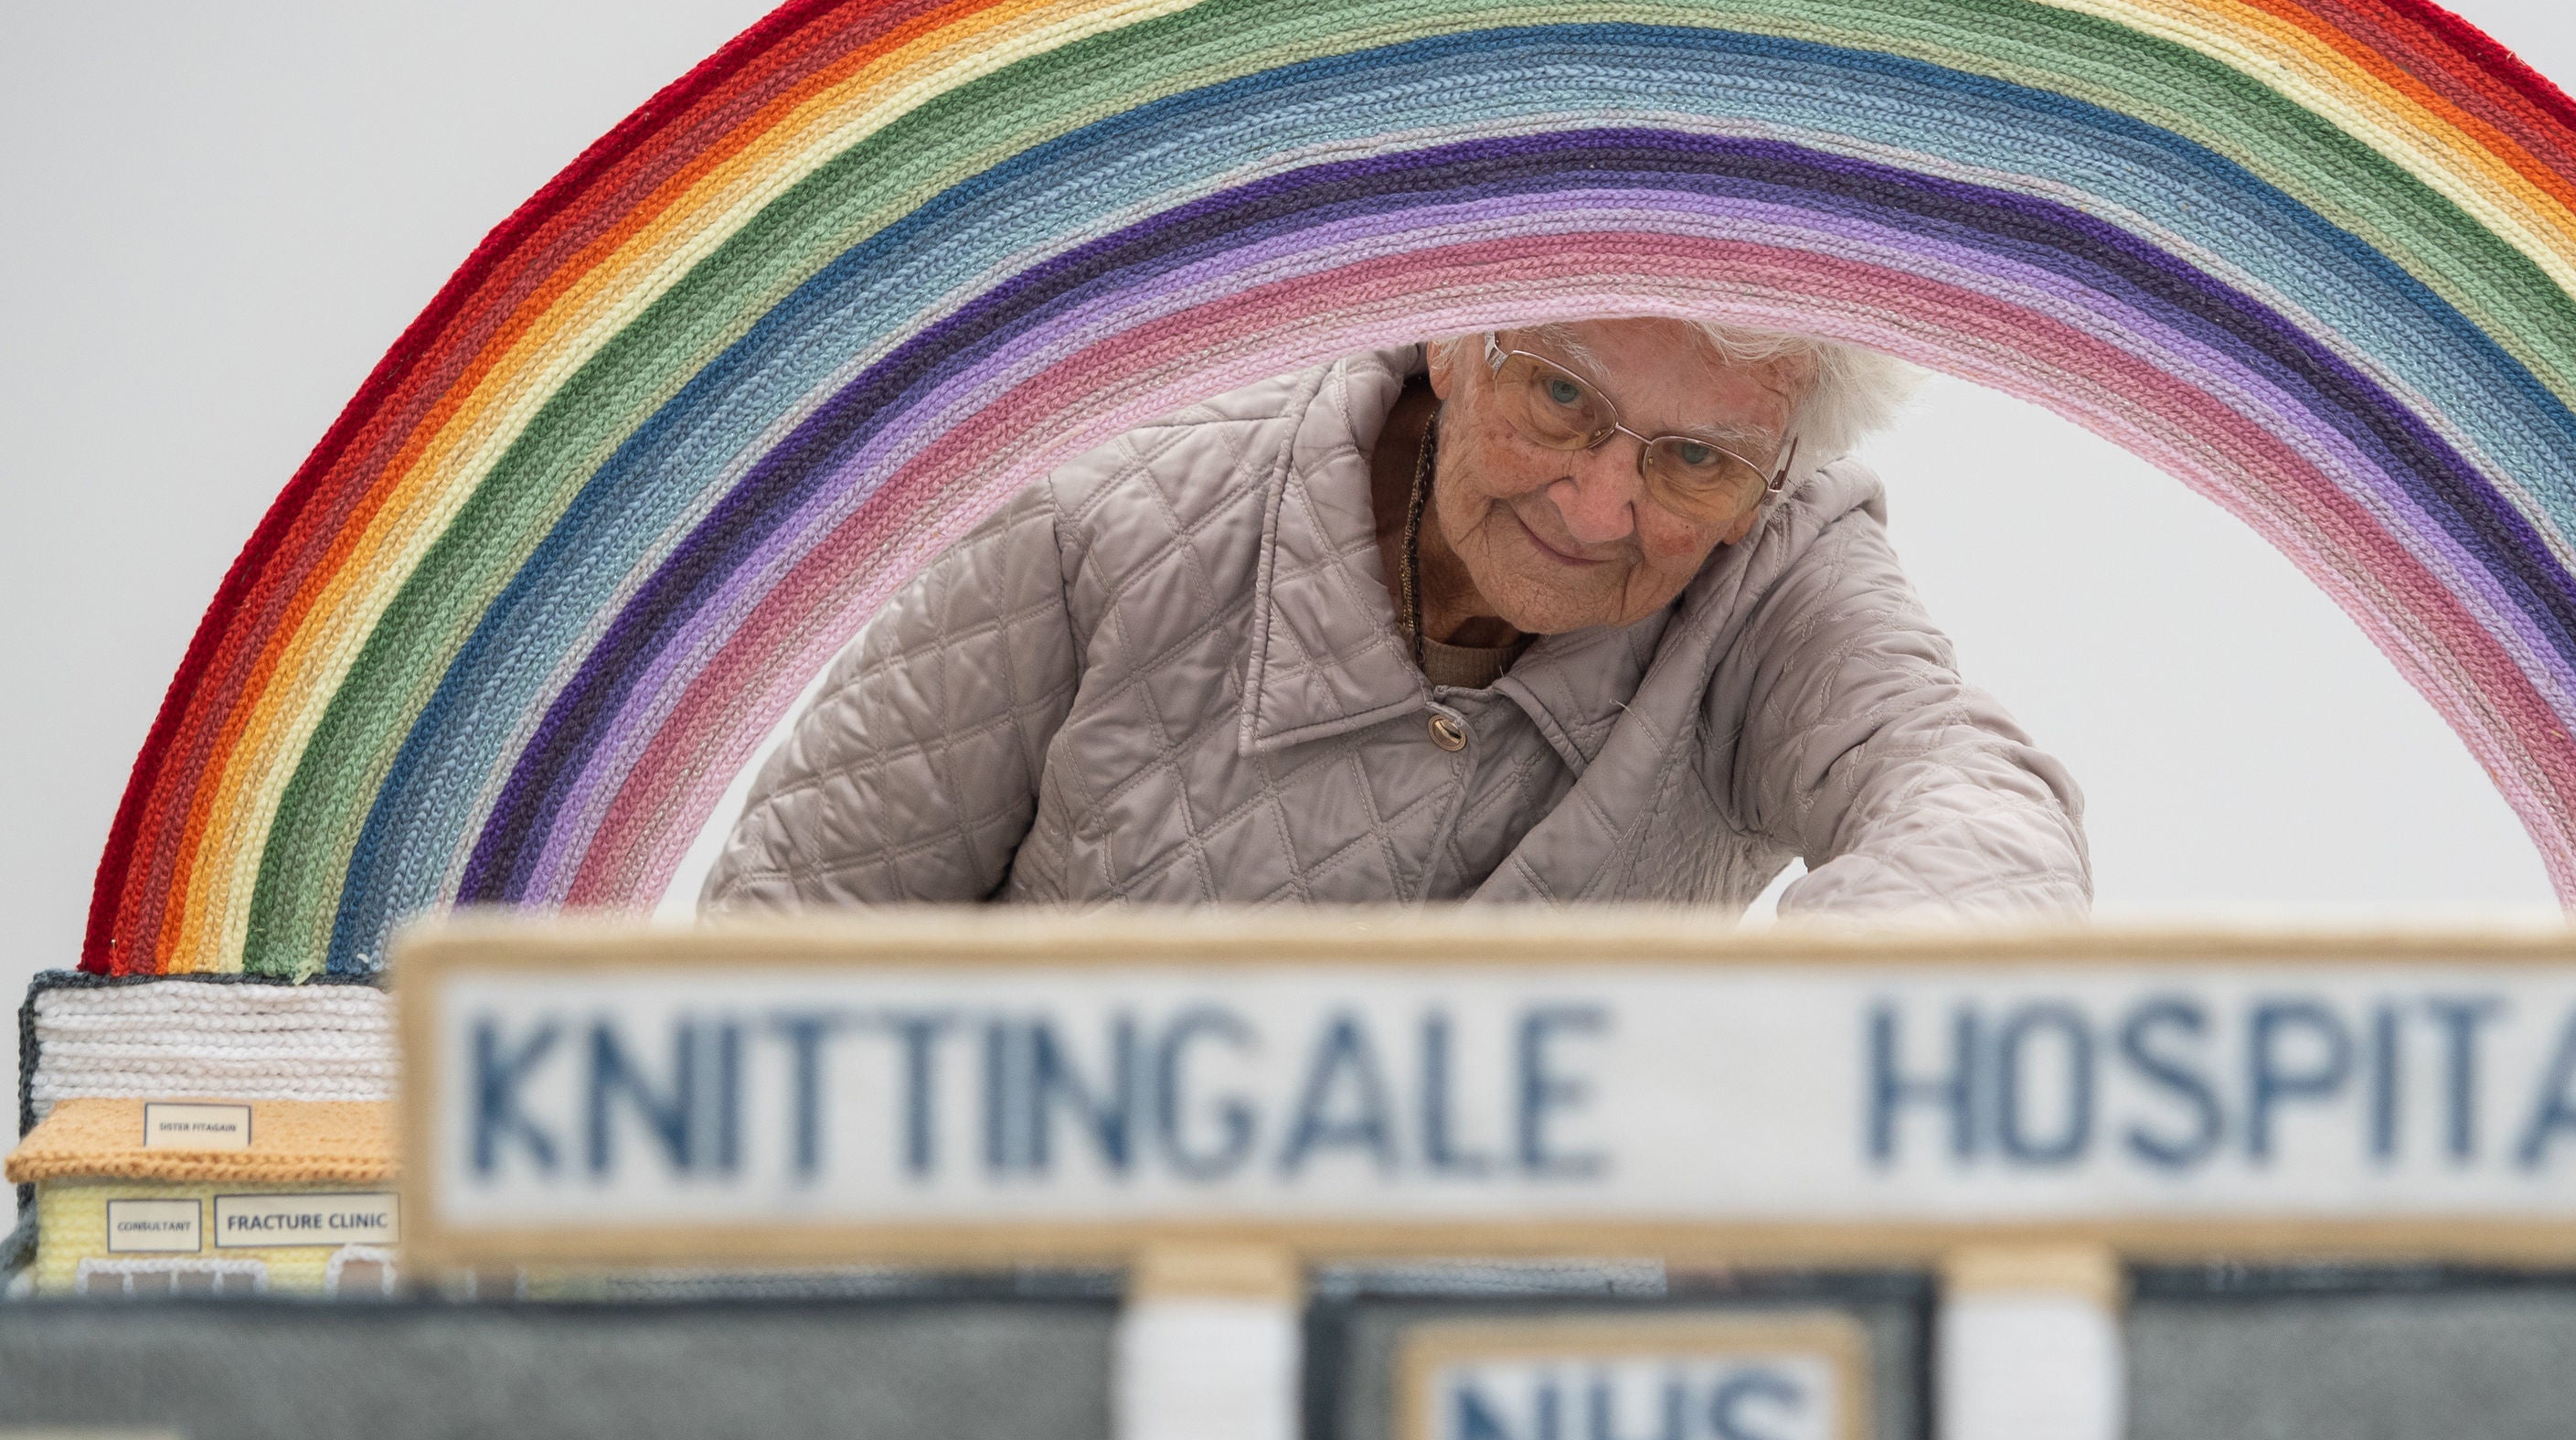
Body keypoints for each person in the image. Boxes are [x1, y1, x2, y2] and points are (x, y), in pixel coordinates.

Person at [704, 321, 2088, 914]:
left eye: (1693, 461)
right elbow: (781, 952)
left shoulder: (1776, 566)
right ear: (1454, 329)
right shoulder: (1104, 506)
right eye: (1559, 394)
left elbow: (1967, 791)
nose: (1602, 505)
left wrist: (1857, 1017)